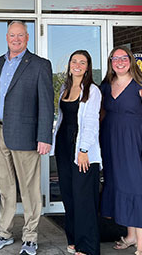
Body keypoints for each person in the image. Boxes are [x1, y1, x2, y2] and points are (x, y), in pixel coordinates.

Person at [0, 21, 54, 255]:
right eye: (12, 35)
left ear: (27, 37)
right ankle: (3, 232)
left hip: (26, 135)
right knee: (5, 186)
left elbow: (46, 103)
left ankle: (30, 237)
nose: (16, 39)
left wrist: (44, 136)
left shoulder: (39, 65)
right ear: (6, 37)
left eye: (20, 35)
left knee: (29, 188)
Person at [100, 46, 142, 255]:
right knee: (122, 186)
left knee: (138, 187)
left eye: (123, 58)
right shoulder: (107, 84)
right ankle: (131, 236)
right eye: (115, 58)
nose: (119, 62)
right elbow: (101, 112)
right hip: (112, 143)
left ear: (131, 60)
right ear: (111, 62)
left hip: (135, 143)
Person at [51, 50, 102, 255]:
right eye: (74, 61)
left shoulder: (92, 90)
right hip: (64, 145)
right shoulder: (64, 87)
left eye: (82, 62)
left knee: (84, 199)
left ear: (88, 67)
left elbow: (90, 123)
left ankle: (88, 247)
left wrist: (83, 150)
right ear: (69, 64)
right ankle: (73, 239)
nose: (78, 65)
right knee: (69, 196)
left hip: (81, 148)